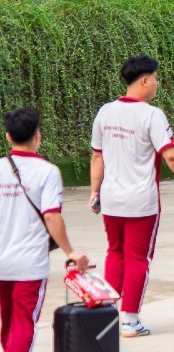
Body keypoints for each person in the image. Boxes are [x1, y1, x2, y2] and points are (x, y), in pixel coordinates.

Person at [90, 55, 174, 338]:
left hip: (112, 198)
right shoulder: (152, 115)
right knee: (138, 258)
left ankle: (108, 316)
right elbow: (172, 155)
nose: (156, 84)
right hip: (142, 201)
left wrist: (94, 192)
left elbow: (97, 156)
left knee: (115, 253)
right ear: (144, 80)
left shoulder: (105, 112)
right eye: (155, 78)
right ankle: (130, 320)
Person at [1, 108, 89, 352]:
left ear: (8, 136)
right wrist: (70, 251)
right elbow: (51, 215)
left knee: (7, 322)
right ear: (38, 136)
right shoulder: (48, 172)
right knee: (23, 322)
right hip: (29, 264)